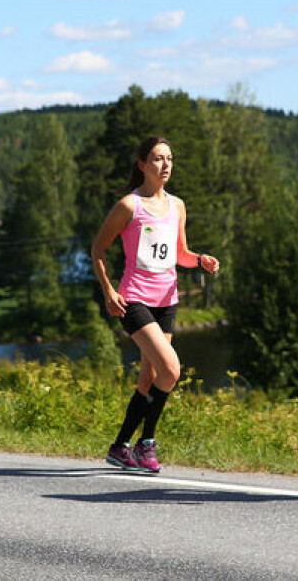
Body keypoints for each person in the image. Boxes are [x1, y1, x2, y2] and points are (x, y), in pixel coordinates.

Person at [91, 136, 220, 473]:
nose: (165, 165)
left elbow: (180, 254)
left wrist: (200, 260)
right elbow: (98, 250)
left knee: (149, 379)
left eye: (169, 158)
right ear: (142, 165)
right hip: (134, 299)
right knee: (171, 370)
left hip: (167, 301)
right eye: (158, 159)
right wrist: (108, 291)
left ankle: (120, 447)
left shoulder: (177, 206)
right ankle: (146, 442)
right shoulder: (129, 206)